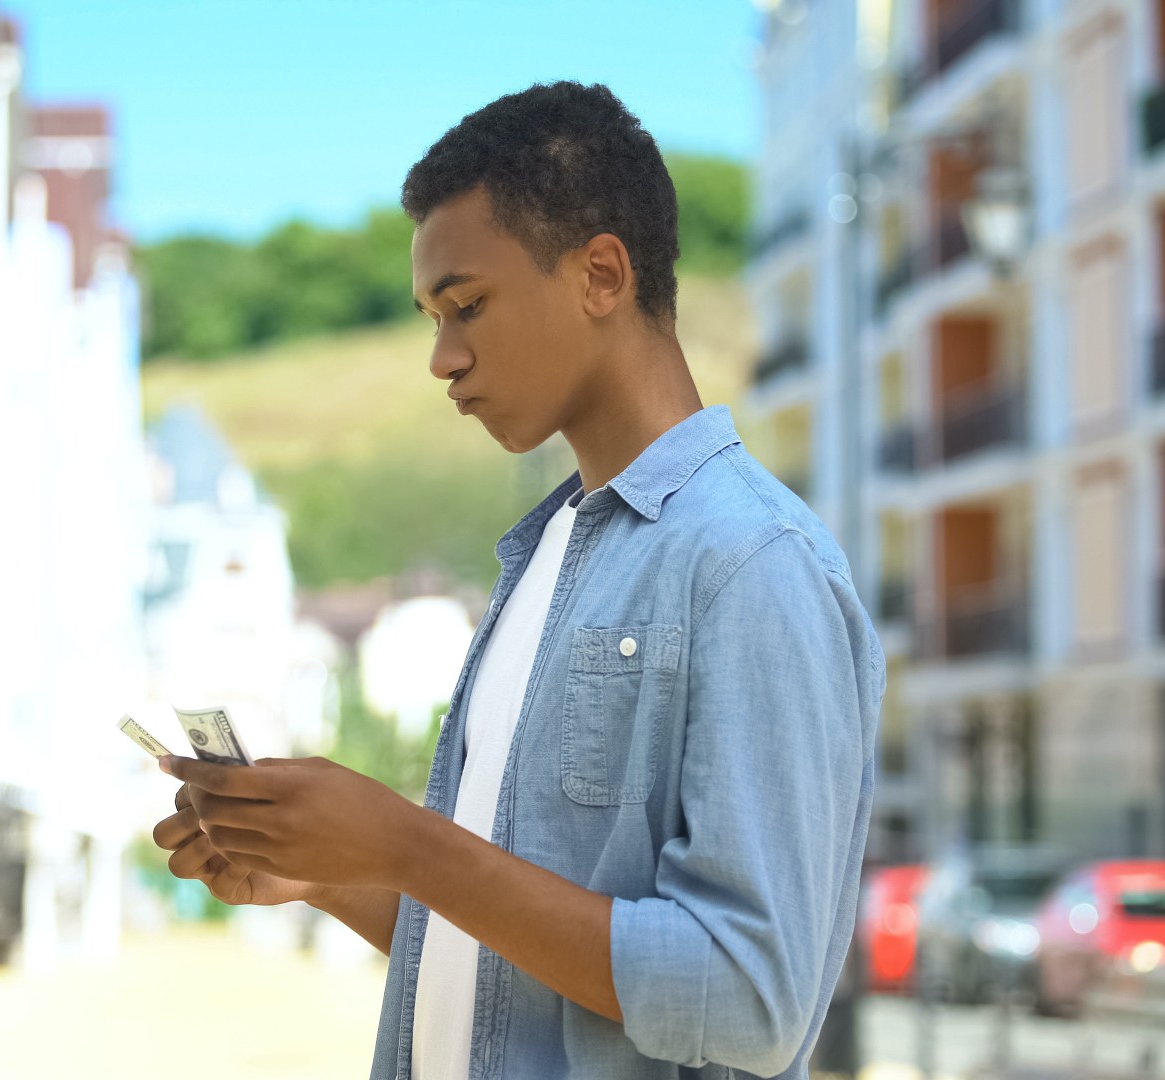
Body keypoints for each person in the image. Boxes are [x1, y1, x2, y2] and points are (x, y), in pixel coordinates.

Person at [151, 80, 883, 1080]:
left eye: (467, 306)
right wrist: (323, 873)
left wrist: (407, 845)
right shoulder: (539, 564)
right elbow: (513, 978)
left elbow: (750, 999)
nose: (442, 358)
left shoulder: (754, 565)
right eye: (430, 317)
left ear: (600, 275)